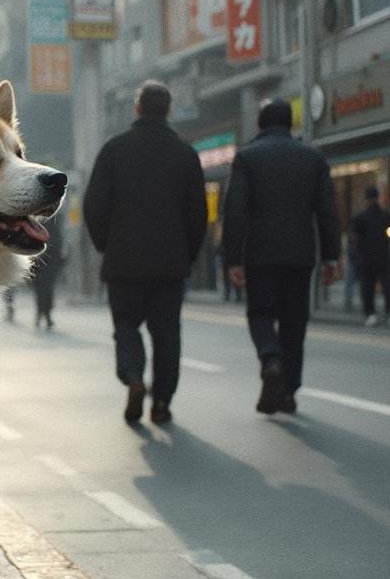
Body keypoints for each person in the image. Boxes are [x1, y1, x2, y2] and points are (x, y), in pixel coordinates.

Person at [84, 80, 207, 425]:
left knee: (126, 326)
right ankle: (162, 402)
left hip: (123, 262)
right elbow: (198, 214)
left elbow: (95, 206)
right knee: (167, 333)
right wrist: (188, 254)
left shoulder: (114, 150)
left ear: (137, 109)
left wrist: (105, 244)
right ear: (167, 110)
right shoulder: (185, 153)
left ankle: (134, 377)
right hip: (170, 264)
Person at [223, 99, 340, 415]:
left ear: (260, 124)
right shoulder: (313, 158)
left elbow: (235, 210)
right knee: (294, 321)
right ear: (291, 124)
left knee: (260, 312)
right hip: (300, 254)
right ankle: (288, 391)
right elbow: (328, 211)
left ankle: (269, 357)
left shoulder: (247, 157)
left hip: (260, 253)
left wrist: (232, 258)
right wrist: (332, 256)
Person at [351, 186, 390, 326]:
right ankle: (388, 312)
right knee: (387, 285)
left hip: (366, 257)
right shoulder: (386, 216)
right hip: (383, 256)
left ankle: (370, 314)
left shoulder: (359, 218)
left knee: (367, 287)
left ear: (366, 199)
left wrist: (354, 256)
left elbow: (355, 239)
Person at [31, 214, 66, 329]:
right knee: (45, 289)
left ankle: (43, 313)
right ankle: (44, 313)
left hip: (42, 261)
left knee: (43, 289)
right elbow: (58, 240)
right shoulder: (53, 220)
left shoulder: (38, 220)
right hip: (44, 261)